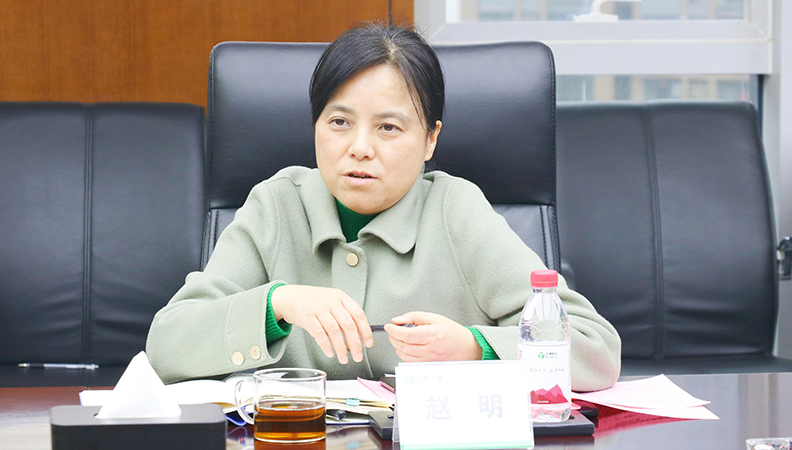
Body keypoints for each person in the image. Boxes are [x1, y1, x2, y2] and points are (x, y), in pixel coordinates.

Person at [146, 22, 621, 392]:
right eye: (338, 122)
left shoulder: (456, 211)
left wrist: (473, 347)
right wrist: (278, 303)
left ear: (430, 139)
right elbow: (167, 345)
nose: (359, 148)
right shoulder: (276, 204)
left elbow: (594, 349)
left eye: (388, 128)